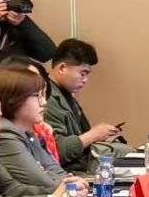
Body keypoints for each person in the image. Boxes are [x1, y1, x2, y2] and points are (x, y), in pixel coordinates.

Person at [0, 63, 72, 196]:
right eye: (37, 96)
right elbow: (42, 182)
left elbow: (55, 169)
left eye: (43, 95)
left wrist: (67, 181)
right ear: (15, 99)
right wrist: (69, 184)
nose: (44, 102)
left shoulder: (28, 131)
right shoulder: (4, 133)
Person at [42, 41, 125, 173]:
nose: (85, 79)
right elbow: (56, 151)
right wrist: (92, 135)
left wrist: (99, 135)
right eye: (83, 73)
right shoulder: (46, 98)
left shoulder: (65, 95)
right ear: (62, 68)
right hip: (67, 174)